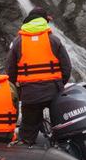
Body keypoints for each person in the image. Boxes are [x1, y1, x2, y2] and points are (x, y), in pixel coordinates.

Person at [5, 8, 72, 145]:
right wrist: (59, 84)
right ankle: (64, 148)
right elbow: (66, 67)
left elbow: (10, 70)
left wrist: (19, 91)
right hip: (53, 91)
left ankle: (27, 148)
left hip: (30, 94)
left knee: (28, 130)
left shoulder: (18, 42)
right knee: (60, 125)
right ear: (44, 21)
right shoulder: (54, 40)